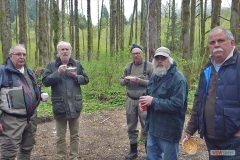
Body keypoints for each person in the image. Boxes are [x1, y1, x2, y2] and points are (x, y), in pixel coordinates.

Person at [182, 26, 240, 159]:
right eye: (212, 42)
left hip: (234, 140)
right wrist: (190, 130)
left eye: (221, 40)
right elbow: (199, 101)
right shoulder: (207, 68)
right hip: (211, 139)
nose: (216, 45)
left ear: (232, 43)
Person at [42, 41, 89, 160]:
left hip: (75, 104)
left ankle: (74, 157)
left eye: (67, 49)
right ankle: (61, 157)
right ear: (58, 52)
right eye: (62, 49)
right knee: (60, 136)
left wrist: (76, 77)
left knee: (75, 135)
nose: (65, 51)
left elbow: (86, 79)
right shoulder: (51, 65)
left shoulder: (77, 64)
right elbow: (45, 81)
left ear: (70, 51)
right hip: (60, 106)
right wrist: (58, 72)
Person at [139, 46, 188, 160]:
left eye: (163, 58)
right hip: (153, 127)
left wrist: (153, 101)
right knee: (151, 157)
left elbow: (177, 104)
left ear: (169, 60)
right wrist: (145, 103)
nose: (160, 61)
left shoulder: (178, 79)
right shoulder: (154, 76)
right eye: (157, 58)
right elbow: (148, 94)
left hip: (168, 130)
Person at [0, 44, 46, 159]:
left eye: (24, 54)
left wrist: (40, 94)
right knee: (8, 152)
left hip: (31, 118)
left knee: (26, 149)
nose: (22, 57)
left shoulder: (29, 72)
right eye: (18, 54)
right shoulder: (3, 71)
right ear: (11, 56)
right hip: (12, 120)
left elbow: (32, 89)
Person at [119, 44, 153, 160]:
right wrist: (125, 80)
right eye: (134, 53)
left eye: (138, 53)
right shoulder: (128, 67)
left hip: (143, 100)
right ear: (132, 55)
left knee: (146, 125)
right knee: (131, 126)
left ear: (141, 53)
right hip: (130, 100)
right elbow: (120, 81)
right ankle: (133, 151)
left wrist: (140, 81)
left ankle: (149, 152)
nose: (136, 55)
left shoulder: (149, 66)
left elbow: (154, 83)